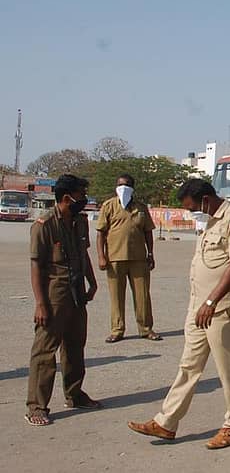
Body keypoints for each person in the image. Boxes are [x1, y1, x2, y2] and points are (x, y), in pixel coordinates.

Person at [128, 179, 230, 449]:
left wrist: (211, 300)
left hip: (222, 307)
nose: (190, 212)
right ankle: (166, 422)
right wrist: (201, 303)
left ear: (206, 199)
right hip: (199, 307)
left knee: (229, 369)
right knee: (189, 365)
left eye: (191, 206)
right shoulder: (209, 221)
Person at [25, 174, 101, 426]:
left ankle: (75, 394)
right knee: (45, 351)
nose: (84, 199)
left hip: (77, 291)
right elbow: (36, 266)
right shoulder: (44, 224)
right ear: (67, 197)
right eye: (81, 194)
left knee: (75, 346)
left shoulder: (80, 222)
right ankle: (36, 406)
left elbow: (84, 253)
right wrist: (40, 303)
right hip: (54, 293)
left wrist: (92, 281)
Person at [96, 173, 160, 343]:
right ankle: (117, 329)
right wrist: (101, 257)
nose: (122, 188)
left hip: (138, 258)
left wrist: (150, 253)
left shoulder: (141, 208)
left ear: (132, 188)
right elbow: (100, 234)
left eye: (125, 185)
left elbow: (148, 232)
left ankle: (146, 329)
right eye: (119, 185)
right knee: (116, 297)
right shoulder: (109, 206)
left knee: (143, 296)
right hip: (114, 258)